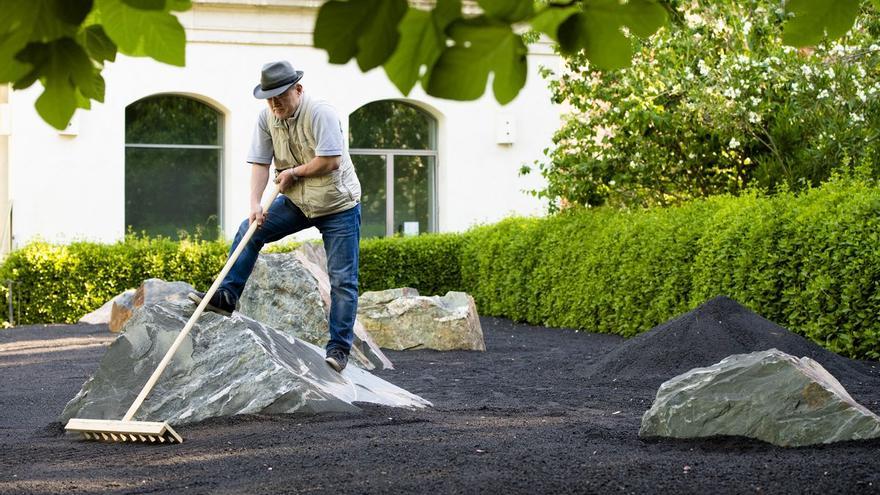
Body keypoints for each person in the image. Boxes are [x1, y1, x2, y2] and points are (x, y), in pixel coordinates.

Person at [189, 61, 362, 373]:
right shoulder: (267, 117)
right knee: (250, 230)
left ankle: (338, 349)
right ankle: (227, 295)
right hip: (297, 202)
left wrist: (294, 172)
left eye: (280, 95)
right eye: (269, 97)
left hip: (338, 206)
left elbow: (331, 161)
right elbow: (259, 162)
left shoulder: (321, 112)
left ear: (298, 89)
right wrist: (255, 203)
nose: (274, 102)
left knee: (342, 280)